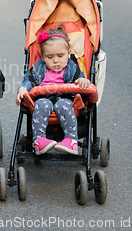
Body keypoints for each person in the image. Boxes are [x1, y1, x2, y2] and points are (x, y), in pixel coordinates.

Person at [15, 23, 90, 155]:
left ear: (68, 54)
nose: (56, 61)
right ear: (43, 57)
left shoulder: (72, 68)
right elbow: (29, 80)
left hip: (66, 101)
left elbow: (81, 80)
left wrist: (83, 81)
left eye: (60, 56)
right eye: (50, 57)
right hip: (44, 100)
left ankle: (71, 140)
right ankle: (40, 140)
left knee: (63, 104)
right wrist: (23, 89)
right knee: (42, 104)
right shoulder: (40, 67)